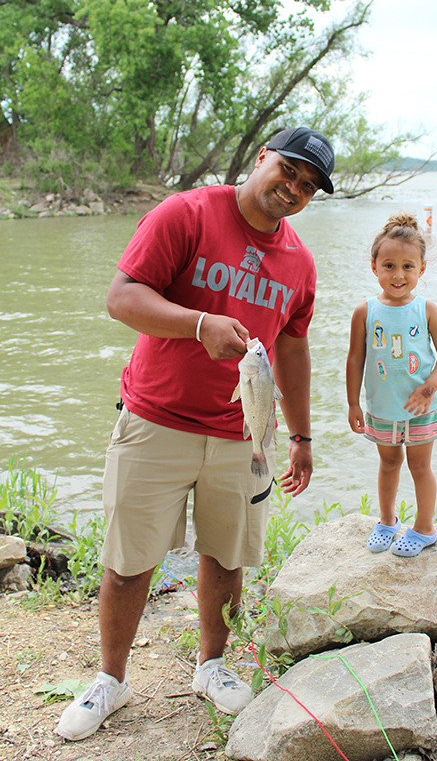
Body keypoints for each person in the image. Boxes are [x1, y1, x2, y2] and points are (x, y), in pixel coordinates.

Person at [56, 126, 335, 741]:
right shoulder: (186, 212)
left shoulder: (300, 263)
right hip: (154, 420)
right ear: (262, 157)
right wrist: (199, 323)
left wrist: (302, 437)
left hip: (242, 434)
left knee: (226, 555)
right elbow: (121, 297)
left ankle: (212, 665)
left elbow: (293, 346)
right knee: (129, 562)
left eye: (308, 186)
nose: (293, 189)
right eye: (288, 171)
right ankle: (111, 679)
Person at [346, 211, 437, 558]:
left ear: (421, 269)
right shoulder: (365, 311)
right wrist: (352, 403)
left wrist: (431, 386)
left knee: (420, 466)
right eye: (389, 265)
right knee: (388, 464)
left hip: (421, 408)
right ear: (374, 266)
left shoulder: (426, 310)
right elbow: (354, 359)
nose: (398, 274)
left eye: (408, 266)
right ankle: (387, 520)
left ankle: (425, 528)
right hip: (382, 408)